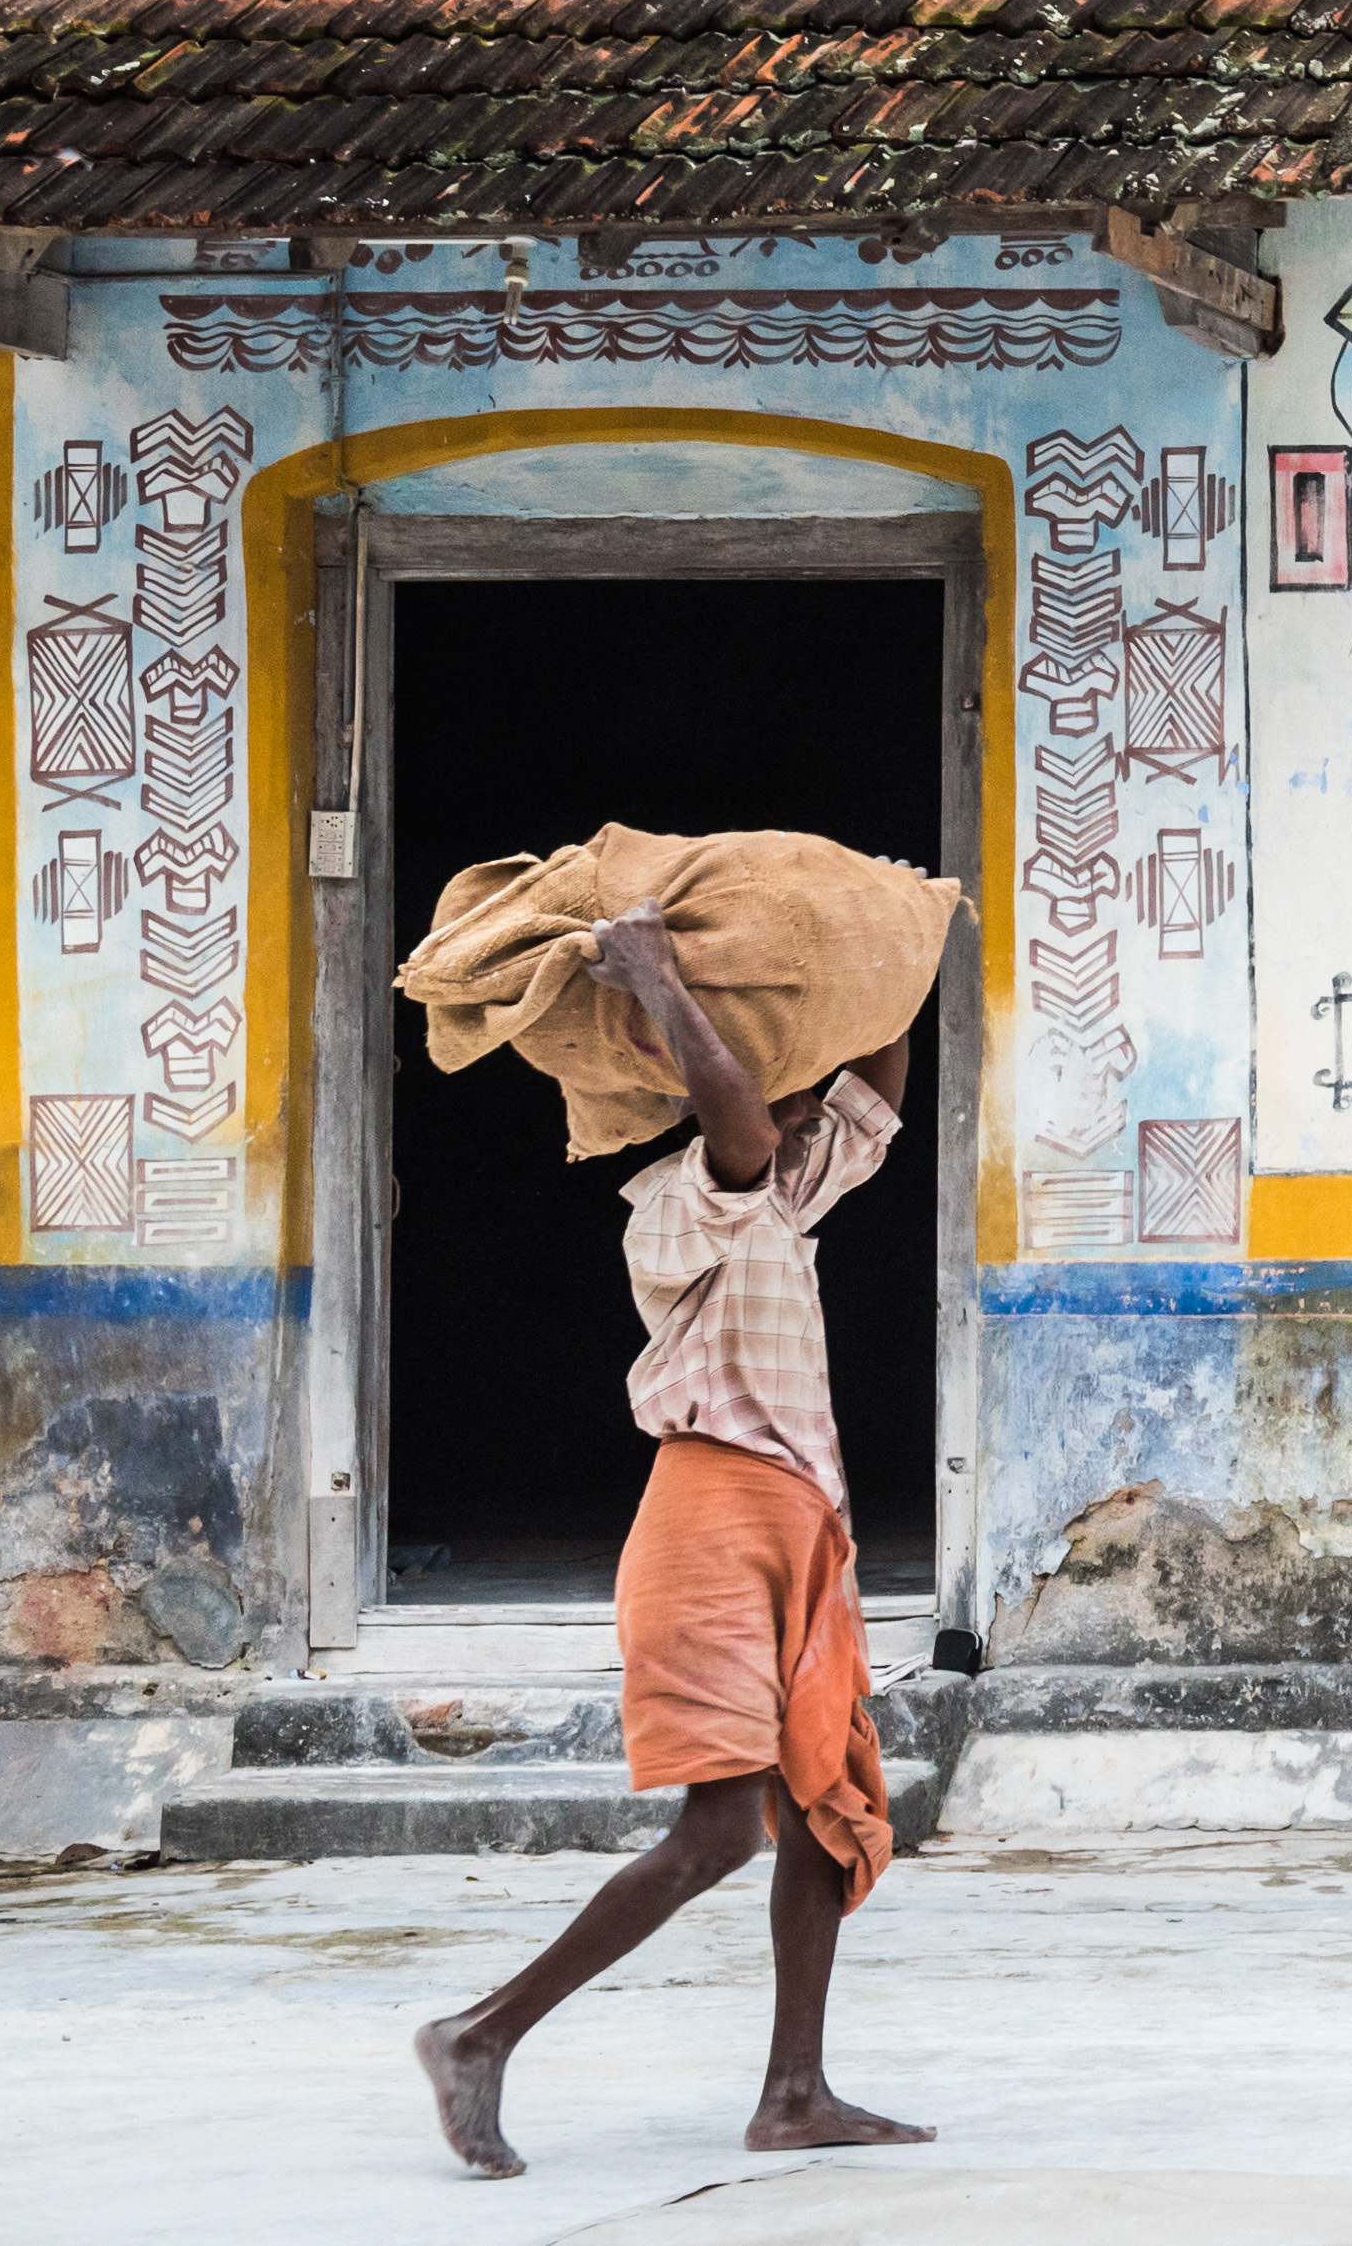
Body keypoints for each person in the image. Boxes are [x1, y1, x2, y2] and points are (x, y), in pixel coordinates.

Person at [415, 909, 934, 2179]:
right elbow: (747, 1125)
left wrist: (892, 952)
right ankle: (477, 2034)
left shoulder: (789, 1198)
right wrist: (650, 973)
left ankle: (795, 2092)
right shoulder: (680, 1200)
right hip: (707, 1525)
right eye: (769, 1070)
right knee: (718, 1833)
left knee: (825, 1808)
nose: (796, 1098)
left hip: (800, 1529)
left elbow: (875, 1087)